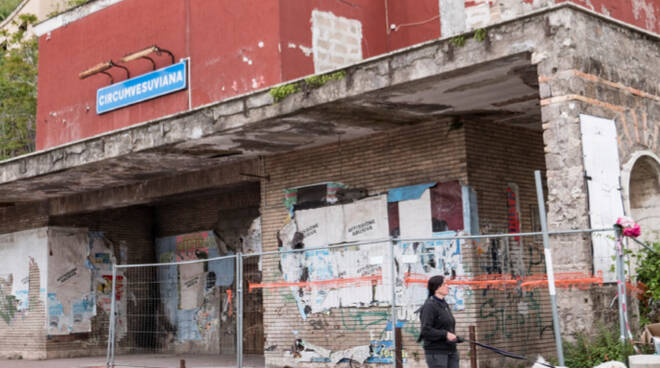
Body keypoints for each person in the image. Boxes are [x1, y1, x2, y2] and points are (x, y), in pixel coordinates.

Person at [417, 275, 459, 368]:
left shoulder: (444, 305)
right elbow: (426, 330)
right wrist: (446, 334)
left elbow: (446, 327)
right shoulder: (429, 306)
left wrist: (455, 337)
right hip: (436, 353)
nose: (447, 286)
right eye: (444, 284)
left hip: (451, 350)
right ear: (436, 288)